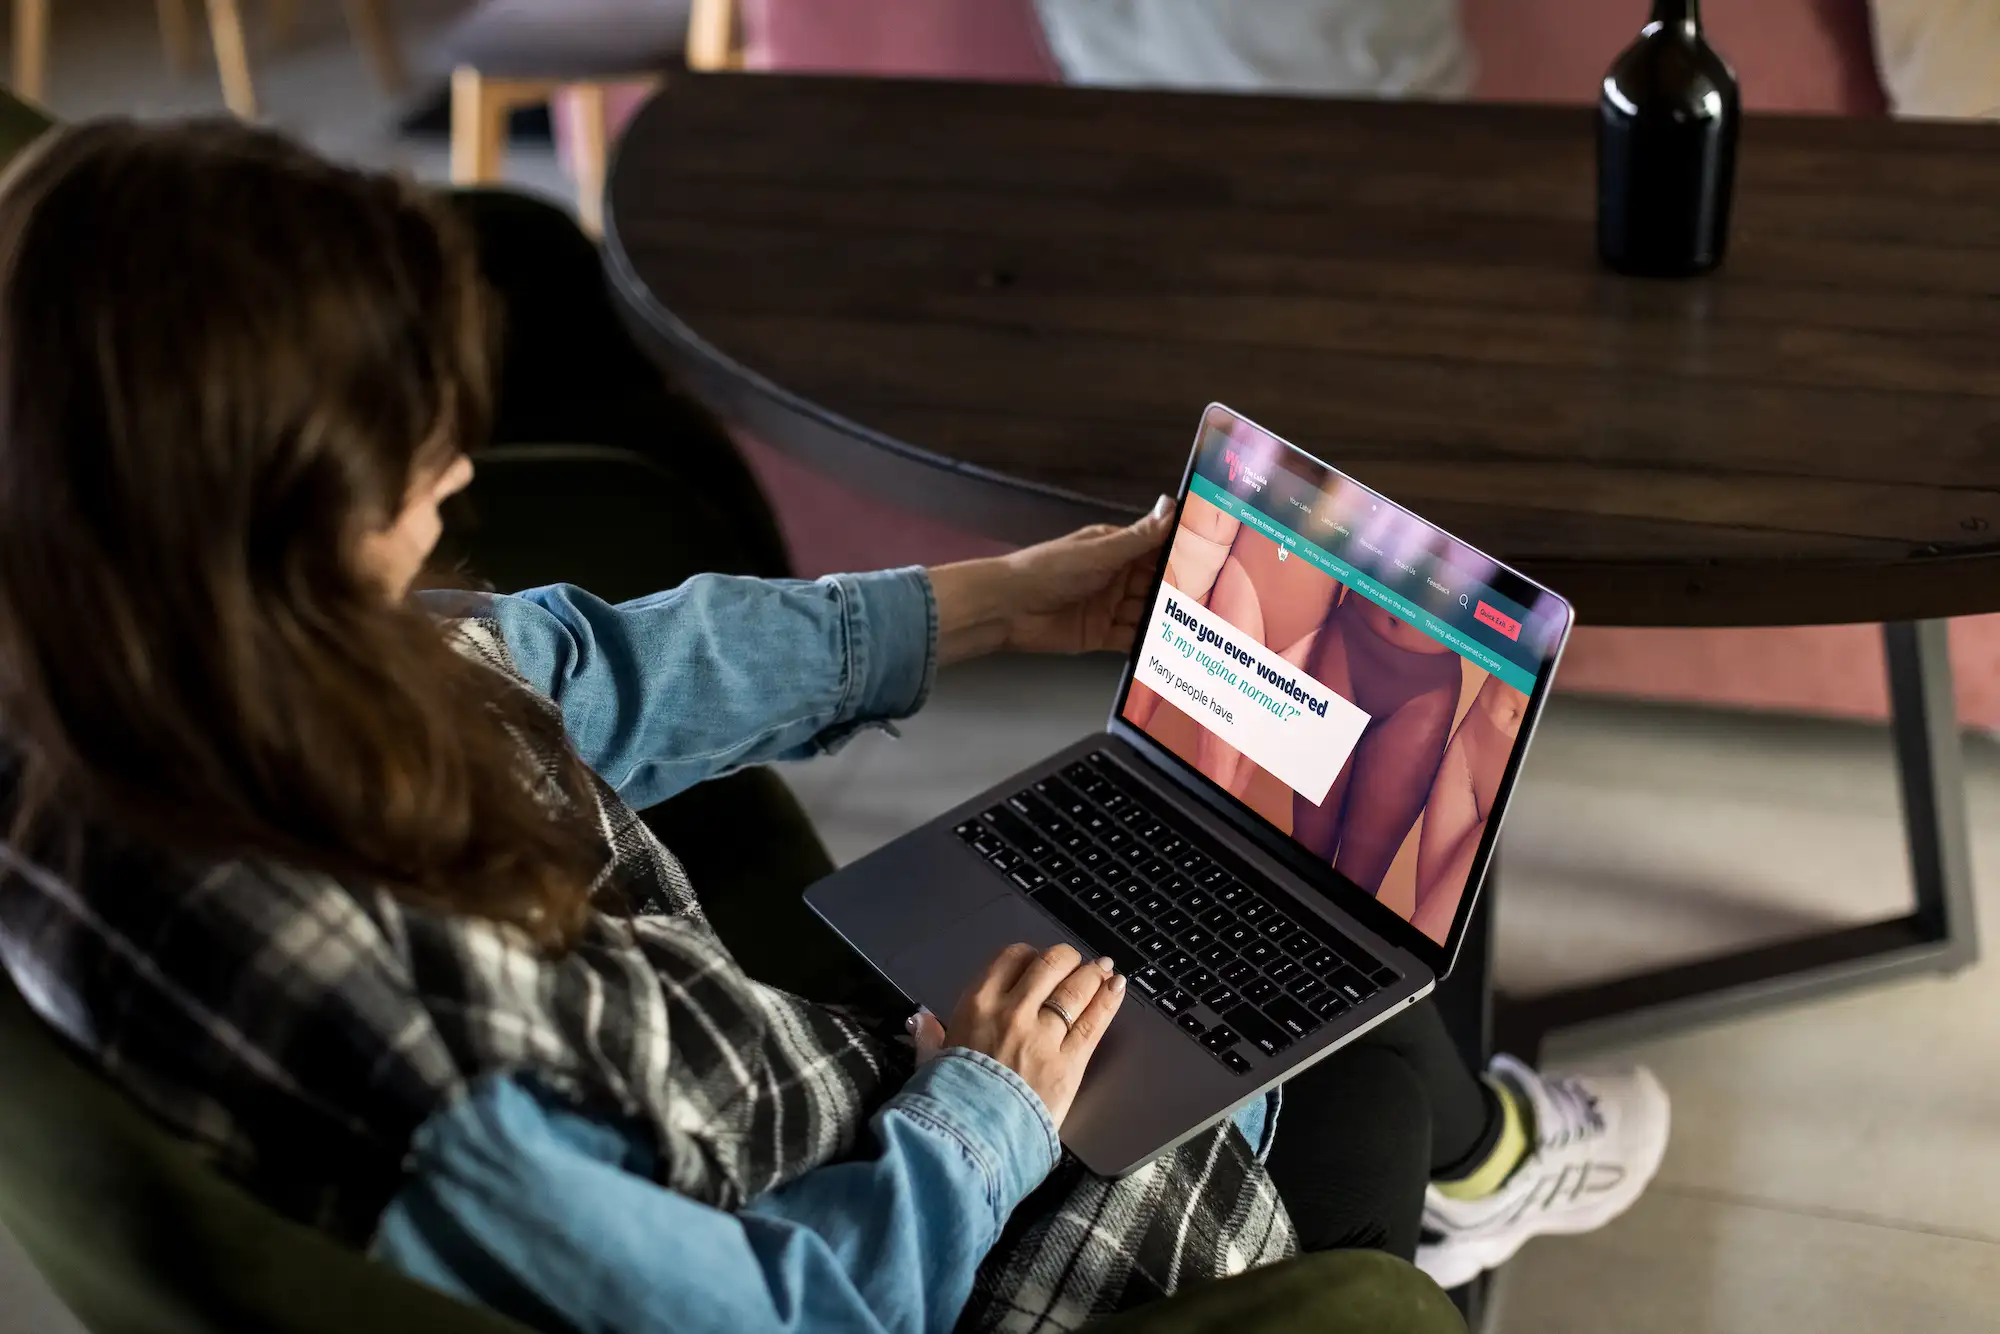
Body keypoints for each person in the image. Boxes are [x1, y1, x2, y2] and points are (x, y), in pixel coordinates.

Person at [0, 119, 1669, 1334]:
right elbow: (777, 1320)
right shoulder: (421, 1068)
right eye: (403, 458)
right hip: (923, 1230)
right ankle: (1475, 1176)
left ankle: (1482, 1150)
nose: (452, 477)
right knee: (1341, 1007)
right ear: (247, 515)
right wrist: (996, 1109)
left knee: (1265, 902)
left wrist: (1003, 600)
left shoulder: (137, 687)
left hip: (787, 1083)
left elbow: (575, 670)